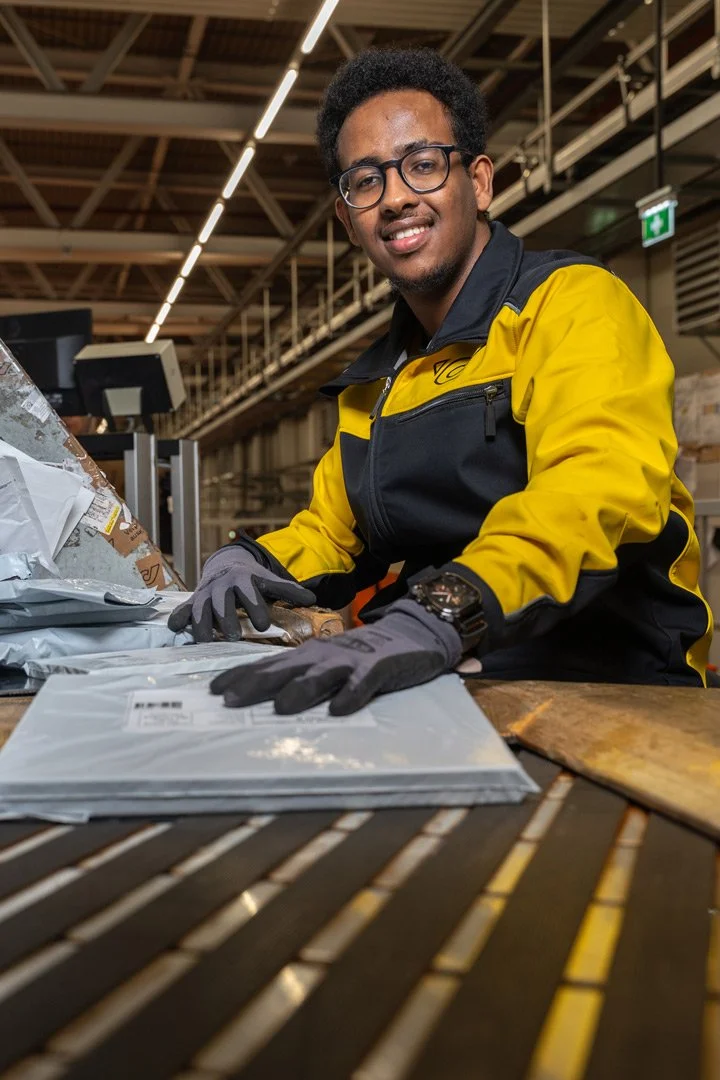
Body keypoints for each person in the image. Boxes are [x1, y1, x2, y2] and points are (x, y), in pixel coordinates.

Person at [169, 47, 712, 714]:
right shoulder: (374, 384)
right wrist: (247, 560)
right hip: (460, 688)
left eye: (422, 165)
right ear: (348, 219)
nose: (396, 197)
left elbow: (593, 494)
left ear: (478, 182)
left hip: (614, 693)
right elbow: (334, 533)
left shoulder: (570, 304)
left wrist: (442, 612)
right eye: (365, 181)